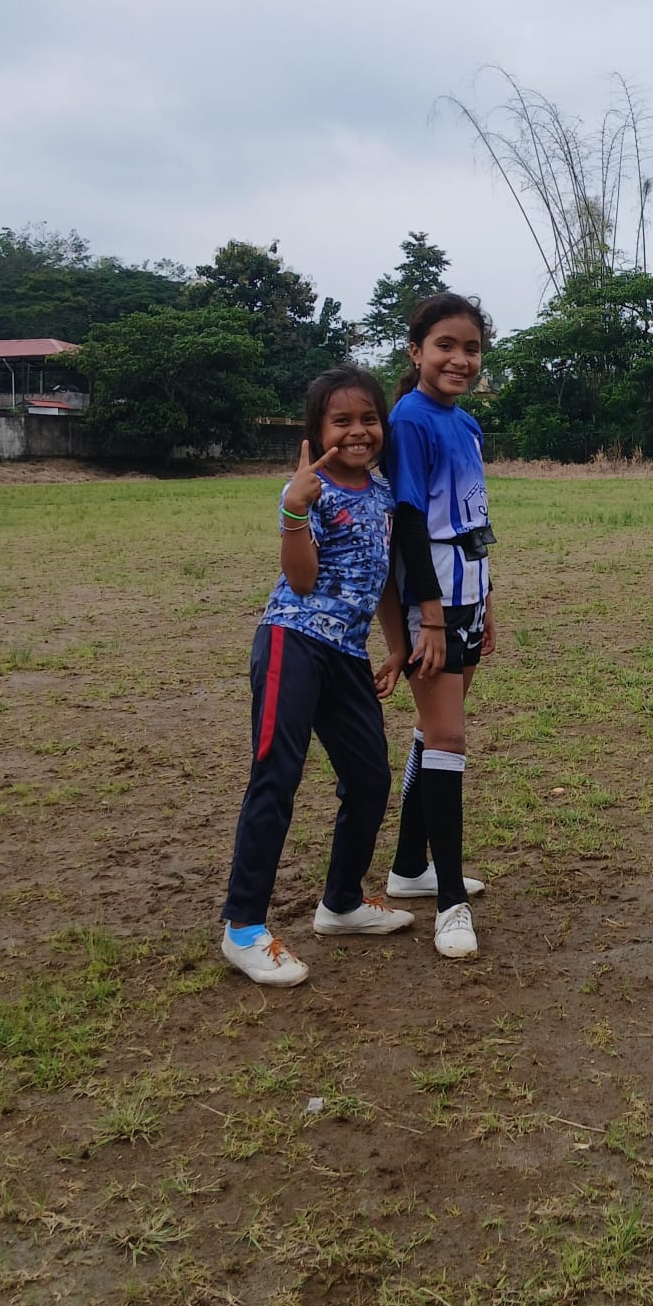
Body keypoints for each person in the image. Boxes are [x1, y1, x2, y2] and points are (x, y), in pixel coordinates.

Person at [220, 366, 414, 987]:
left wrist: (397, 646)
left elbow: (383, 576)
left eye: (369, 419)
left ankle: (342, 903)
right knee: (277, 775)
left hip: (348, 654)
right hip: (293, 642)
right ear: (317, 431)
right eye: (341, 421)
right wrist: (293, 509)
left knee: (370, 777)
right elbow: (302, 581)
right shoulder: (308, 490)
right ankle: (243, 928)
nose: (358, 431)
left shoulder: (383, 494)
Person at [384, 292, 497, 959]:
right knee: (449, 735)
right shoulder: (409, 420)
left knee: (435, 732)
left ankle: (409, 867)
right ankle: (450, 901)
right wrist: (426, 618)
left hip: (468, 592)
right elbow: (406, 523)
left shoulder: (467, 423)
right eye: (445, 345)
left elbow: (473, 516)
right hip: (431, 601)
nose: (460, 359)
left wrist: (489, 601)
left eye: (471, 348)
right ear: (416, 351)